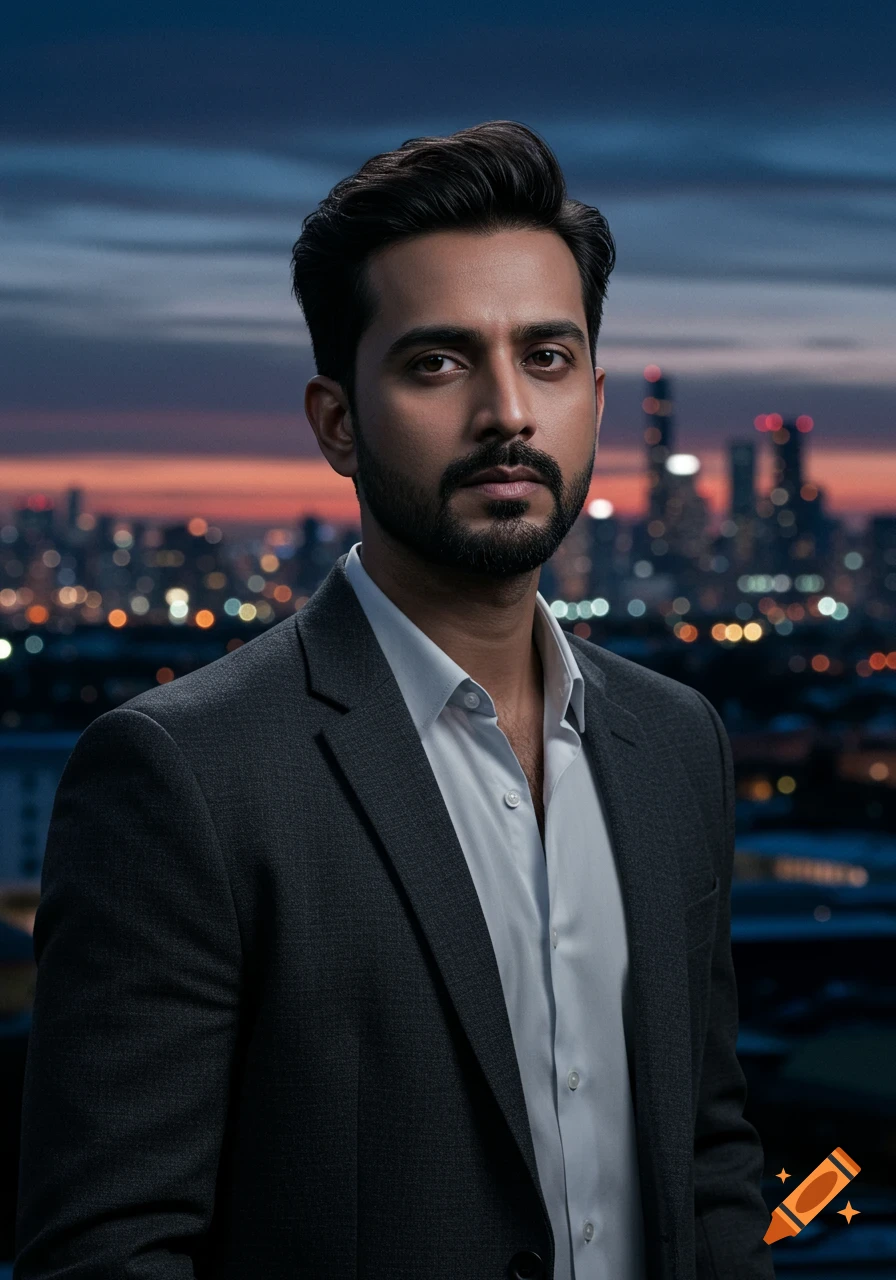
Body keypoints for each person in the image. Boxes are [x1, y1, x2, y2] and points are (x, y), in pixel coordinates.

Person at [15, 120, 775, 1280]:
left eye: (548, 357)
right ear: (334, 421)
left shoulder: (675, 741)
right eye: (437, 362)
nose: (506, 412)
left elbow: (709, 1151)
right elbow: (111, 1251)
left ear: (596, 398)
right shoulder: (186, 773)